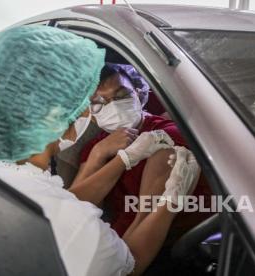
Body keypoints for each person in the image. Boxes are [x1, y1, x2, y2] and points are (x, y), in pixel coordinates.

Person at [0, 25, 200, 276]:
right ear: (57, 115)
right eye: (88, 101)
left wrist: (122, 160)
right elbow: (130, 264)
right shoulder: (68, 226)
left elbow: (62, 202)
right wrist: (168, 204)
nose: (87, 110)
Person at [69, 64, 212, 242]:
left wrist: (119, 263)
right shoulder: (96, 146)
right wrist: (98, 154)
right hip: (119, 239)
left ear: (139, 93)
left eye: (121, 95)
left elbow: (146, 222)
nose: (113, 106)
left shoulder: (166, 137)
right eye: (98, 102)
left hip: (173, 242)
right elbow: (74, 210)